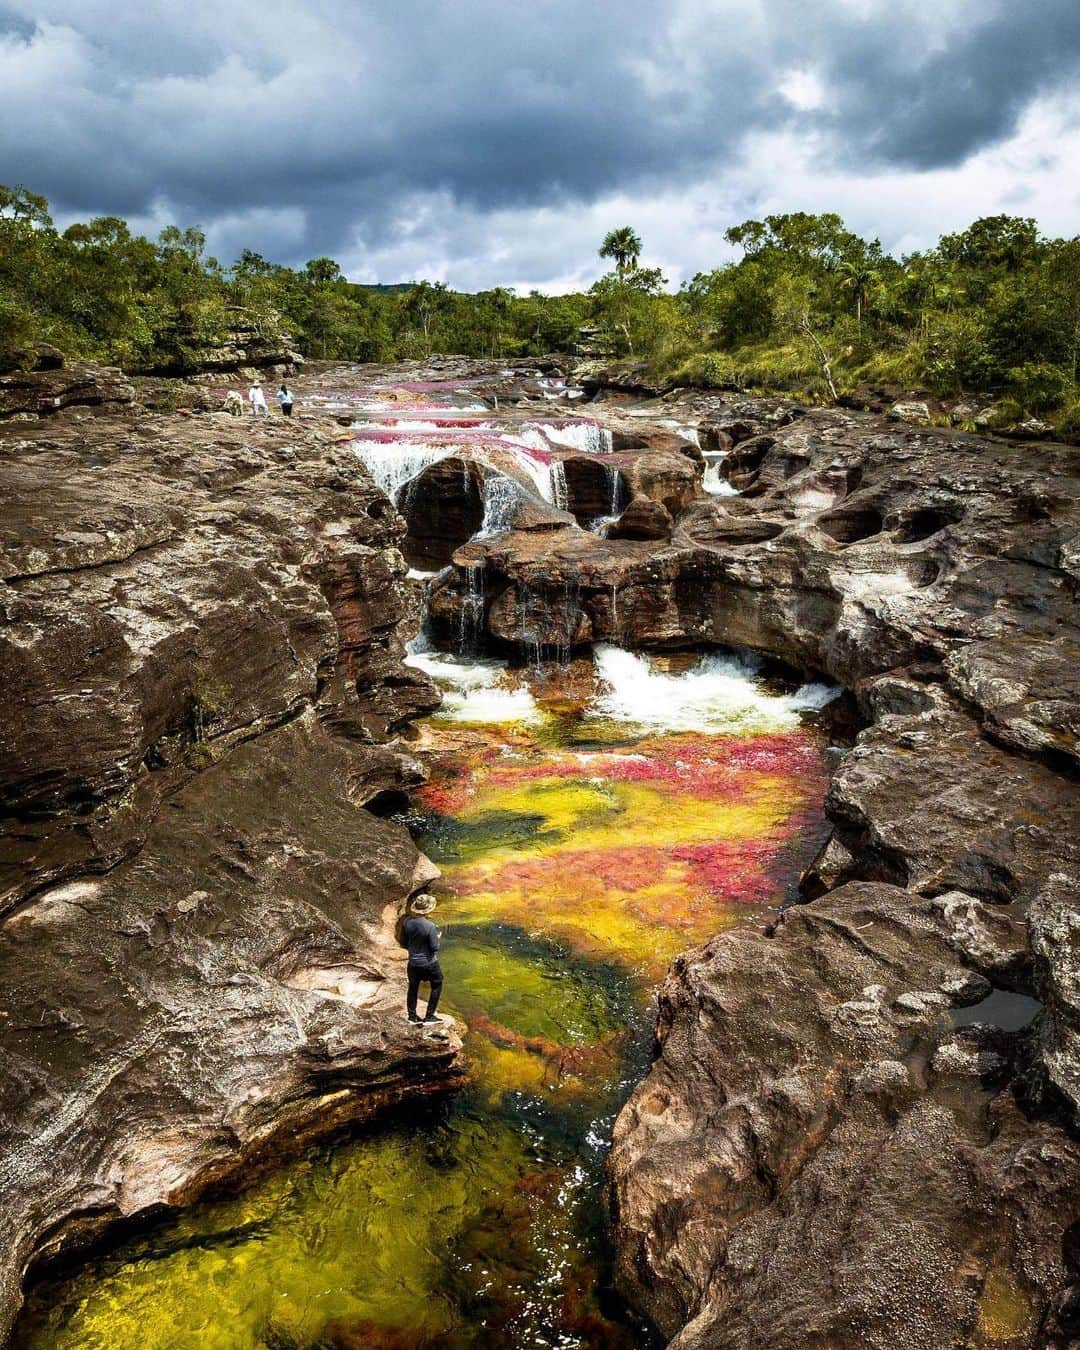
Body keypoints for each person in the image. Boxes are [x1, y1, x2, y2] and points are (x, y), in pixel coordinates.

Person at [399, 893, 445, 1024]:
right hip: (429, 963)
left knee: (413, 988)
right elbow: (434, 947)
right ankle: (429, 1016)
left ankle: (412, 1016)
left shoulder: (407, 922)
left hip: (413, 963)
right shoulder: (430, 926)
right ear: (428, 909)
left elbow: (403, 942)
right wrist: (438, 937)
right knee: (437, 984)